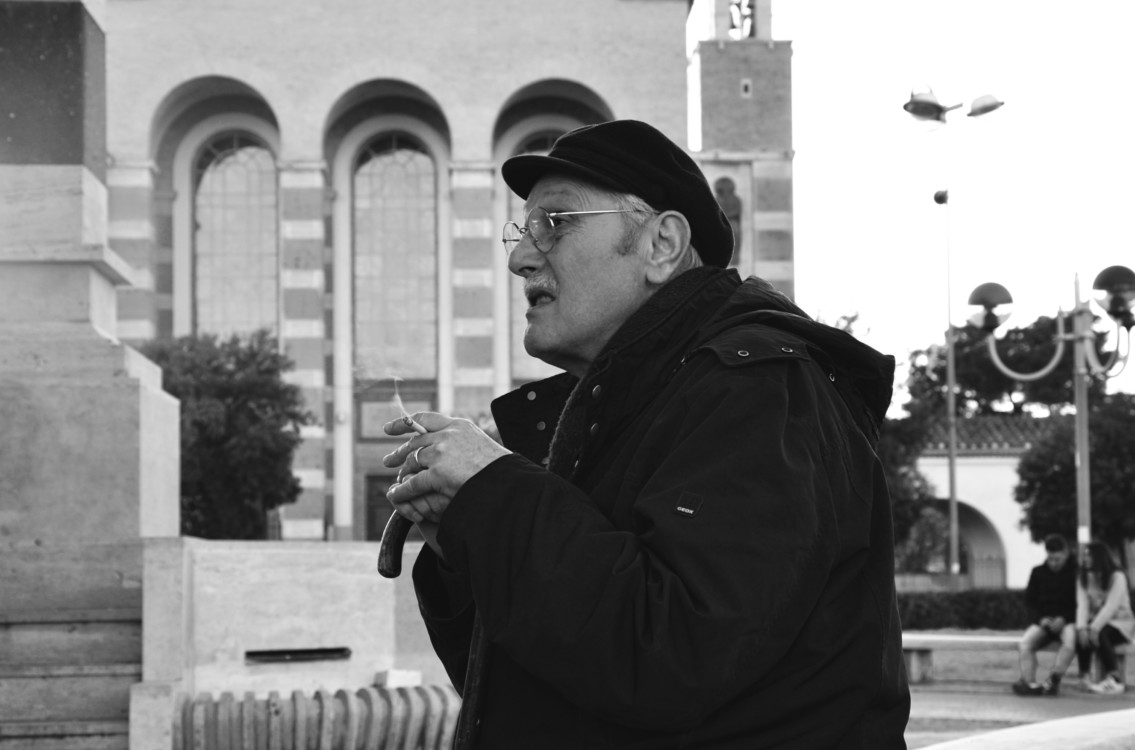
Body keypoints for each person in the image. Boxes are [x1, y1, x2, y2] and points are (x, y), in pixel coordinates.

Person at [381, 119, 910, 748]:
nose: (521, 257)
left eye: (556, 222)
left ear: (662, 244)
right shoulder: (620, 410)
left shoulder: (760, 389)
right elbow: (534, 678)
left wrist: (495, 493)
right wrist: (465, 539)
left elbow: (673, 655)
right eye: (522, 231)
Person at [1013, 534, 1077, 696]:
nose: (1054, 563)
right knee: (1025, 643)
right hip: (1043, 621)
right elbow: (1030, 602)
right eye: (1050, 559)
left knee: (1070, 640)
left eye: (1057, 559)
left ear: (1065, 553)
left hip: (1068, 621)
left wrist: (1064, 619)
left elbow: (1080, 604)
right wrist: (1040, 619)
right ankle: (1029, 683)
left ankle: (1053, 680)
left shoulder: (1075, 573)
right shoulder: (1038, 572)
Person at [1075, 541, 1135, 695]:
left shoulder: (1117, 577)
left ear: (1099, 557)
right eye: (1084, 555)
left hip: (1121, 623)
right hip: (1098, 622)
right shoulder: (1083, 578)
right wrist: (1082, 628)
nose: (1085, 559)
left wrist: (1094, 628)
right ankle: (1084, 676)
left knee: (1101, 633)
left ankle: (1114, 679)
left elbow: (1111, 606)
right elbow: (1082, 605)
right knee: (1082, 634)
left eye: (1089, 555)